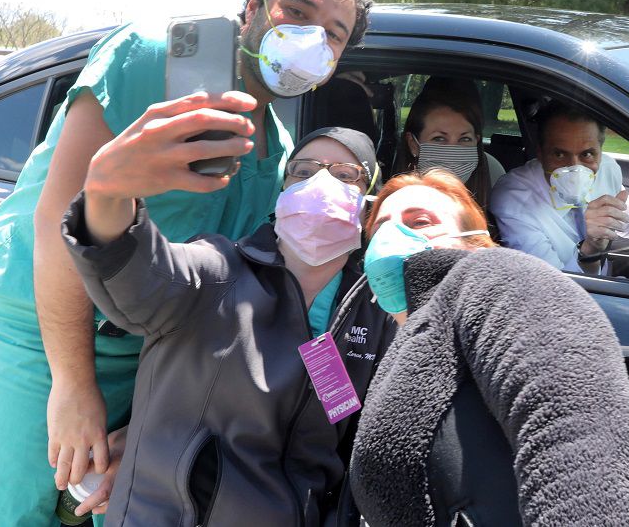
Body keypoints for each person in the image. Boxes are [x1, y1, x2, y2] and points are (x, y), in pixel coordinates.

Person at [0, 0, 369, 526]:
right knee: (6, 511)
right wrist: (73, 386)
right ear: (253, 6)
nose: (313, 40)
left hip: (152, 360)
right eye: (297, 13)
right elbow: (61, 216)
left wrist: (161, 410)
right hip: (36, 342)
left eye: (334, 34)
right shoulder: (152, 56)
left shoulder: (279, 147)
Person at [60, 127, 396, 525]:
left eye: (344, 175)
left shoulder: (378, 312)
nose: (320, 184)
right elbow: (137, 273)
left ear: (369, 197)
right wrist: (107, 192)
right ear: (283, 189)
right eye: (304, 172)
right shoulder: (218, 271)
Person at [350, 169, 629, 526]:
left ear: (473, 240)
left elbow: (584, 455)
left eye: (419, 222)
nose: (392, 238)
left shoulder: (505, 278)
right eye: (380, 228)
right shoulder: (401, 340)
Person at [489, 102, 629, 274]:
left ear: (600, 153)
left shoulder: (606, 169)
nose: (574, 169)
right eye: (560, 154)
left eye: (587, 154)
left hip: (605, 273)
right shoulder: (515, 202)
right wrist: (590, 249)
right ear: (541, 153)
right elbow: (553, 289)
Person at [392, 77, 498, 211]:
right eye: (439, 139)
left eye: (464, 139)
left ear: (476, 141)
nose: (453, 150)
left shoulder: (493, 180)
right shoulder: (394, 209)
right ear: (413, 143)